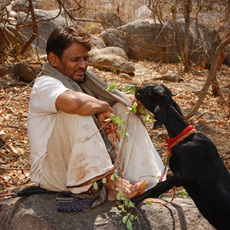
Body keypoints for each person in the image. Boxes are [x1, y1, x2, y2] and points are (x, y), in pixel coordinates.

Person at [28, 26, 165, 210]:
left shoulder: (83, 82)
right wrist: (103, 106)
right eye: (75, 59)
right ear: (54, 59)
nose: (83, 65)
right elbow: (75, 104)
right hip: (53, 174)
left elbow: (114, 102)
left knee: (122, 108)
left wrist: (126, 103)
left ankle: (146, 179)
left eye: (85, 58)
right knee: (77, 111)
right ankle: (112, 184)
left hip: (79, 164)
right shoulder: (45, 84)